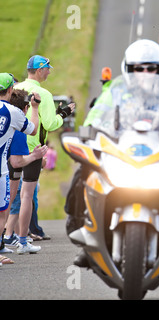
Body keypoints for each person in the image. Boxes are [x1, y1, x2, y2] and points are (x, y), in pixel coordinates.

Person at [67, 39, 159, 279]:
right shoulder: (116, 91)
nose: (145, 73)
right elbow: (97, 115)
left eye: (151, 68)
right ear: (129, 69)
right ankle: (84, 230)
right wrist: (88, 133)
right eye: (139, 68)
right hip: (122, 153)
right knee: (86, 169)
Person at [14, 55, 75, 254]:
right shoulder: (44, 94)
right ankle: (23, 240)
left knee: (10, 194)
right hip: (34, 148)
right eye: (48, 68)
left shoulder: (17, 88)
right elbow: (49, 124)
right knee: (26, 196)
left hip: (14, 146)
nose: (49, 71)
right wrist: (64, 113)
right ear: (40, 70)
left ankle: (9, 237)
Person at [2, 89, 48, 251]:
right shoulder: (18, 128)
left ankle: (7, 238)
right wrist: (35, 156)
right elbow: (17, 161)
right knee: (15, 202)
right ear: (25, 108)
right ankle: (20, 240)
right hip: (8, 169)